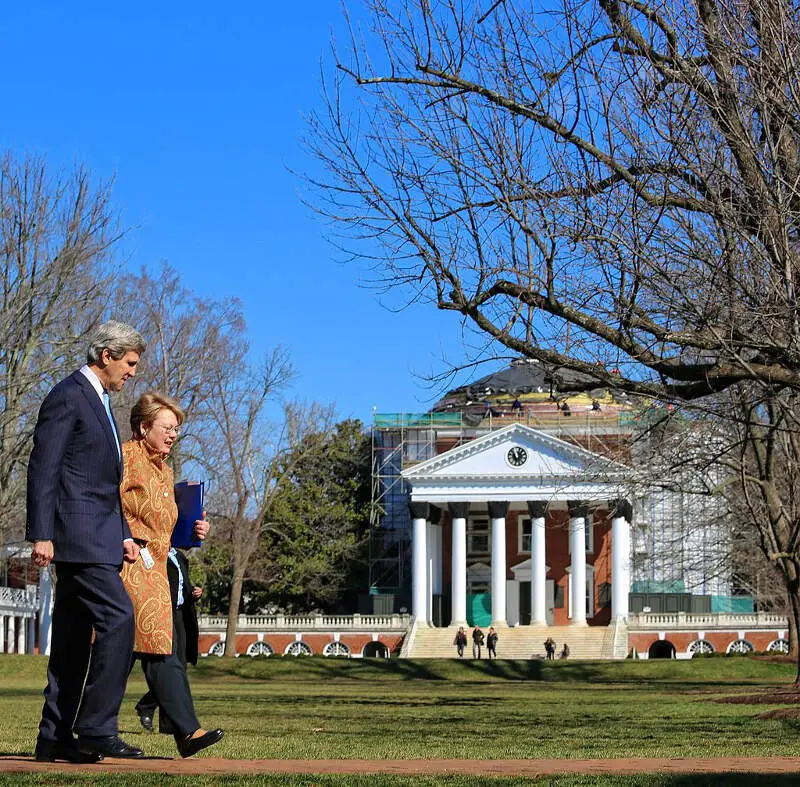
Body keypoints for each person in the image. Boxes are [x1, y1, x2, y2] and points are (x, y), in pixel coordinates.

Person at [27, 320, 146, 763]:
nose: (132, 372)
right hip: (75, 539)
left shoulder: (100, 402)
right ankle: (96, 727)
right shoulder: (68, 396)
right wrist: (41, 533)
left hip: (100, 536)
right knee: (119, 618)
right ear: (107, 355)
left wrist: (123, 535)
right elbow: (44, 467)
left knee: (73, 643)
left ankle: (53, 738)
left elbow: (101, 482)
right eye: (130, 363)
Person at [119, 392, 223, 758]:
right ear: (144, 427)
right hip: (128, 566)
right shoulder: (125, 457)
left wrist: (191, 534)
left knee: (155, 651)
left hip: (158, 571)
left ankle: (186, 732)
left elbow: (167, 530)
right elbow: (107, 502)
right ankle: (81, 728)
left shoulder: (165, 469)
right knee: (133, 652)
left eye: (177, 429)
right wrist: (122, 538)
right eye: (167, 427)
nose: (174, 434)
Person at [136, 549, 202, 733]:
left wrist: (194, 592)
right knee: (169, 666)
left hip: (181, 614)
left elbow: (182, 585)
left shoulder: (179, 556)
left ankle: (155, 713)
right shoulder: (154, 554)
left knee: (179, 668)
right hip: (162, 612)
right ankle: (149, 709)